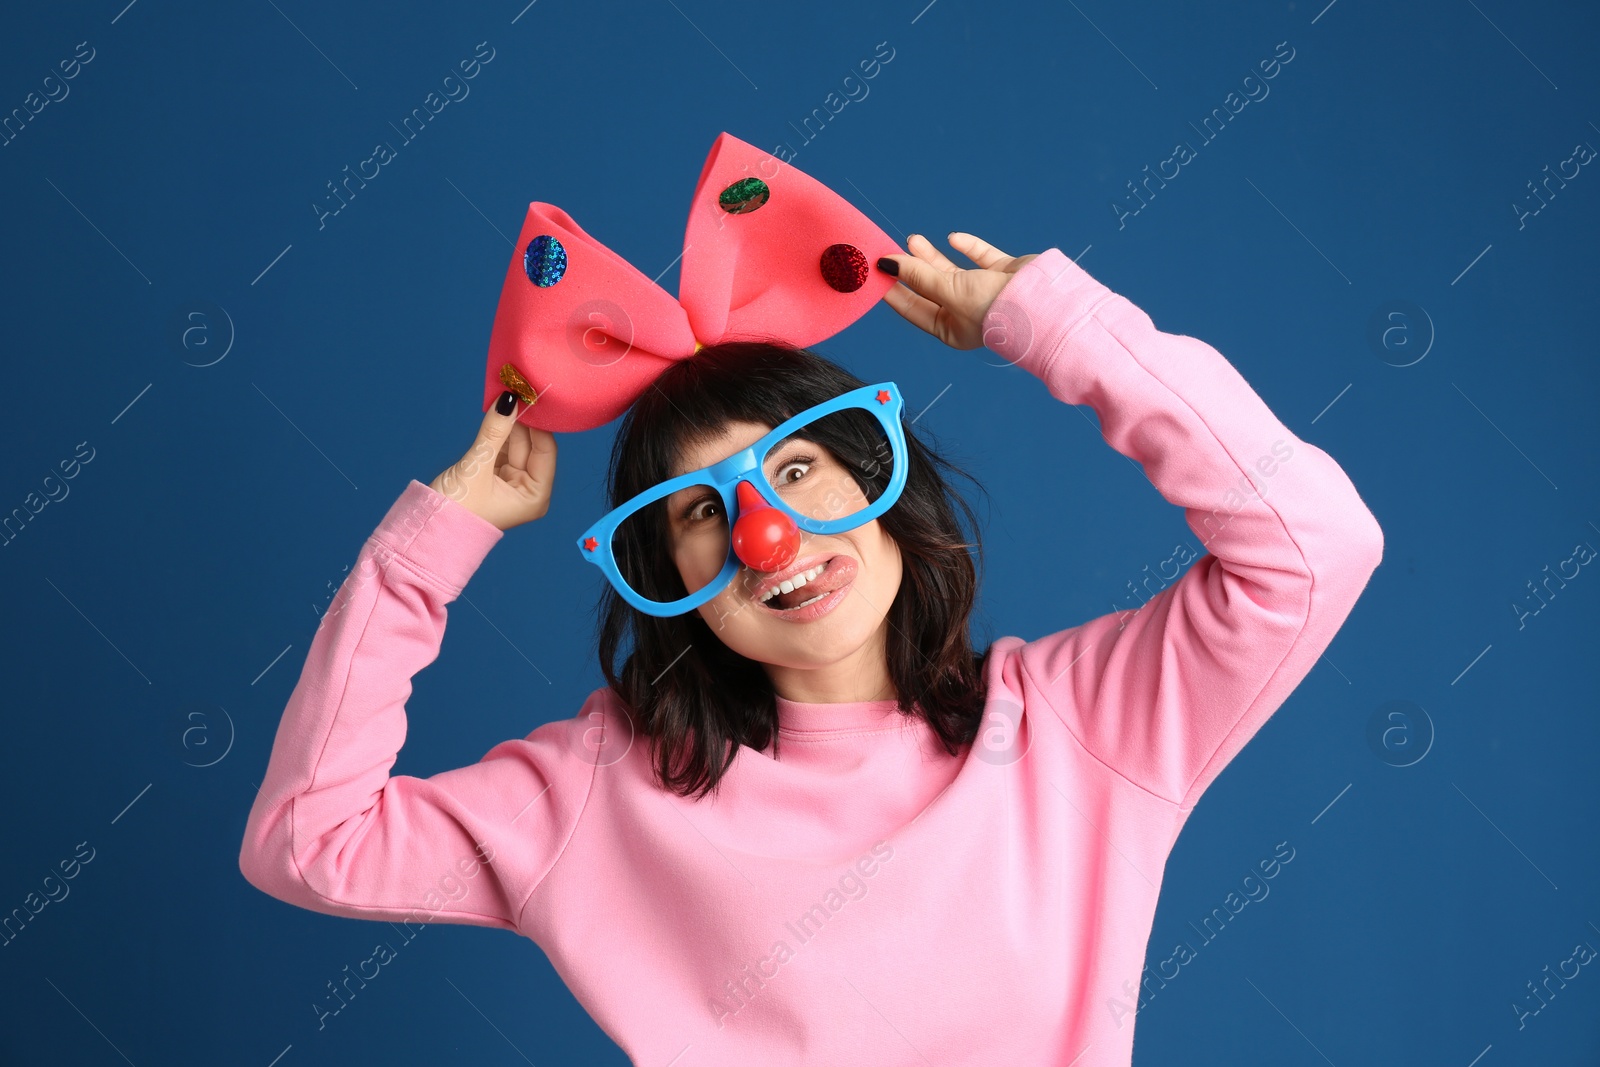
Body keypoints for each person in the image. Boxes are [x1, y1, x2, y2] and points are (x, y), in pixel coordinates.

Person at [239, 230, 1383, 1065]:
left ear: (880, 483)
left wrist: (1054, 328)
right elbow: (306, 839)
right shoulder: (602, 786)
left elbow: (1314, 546)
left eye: (793, 469)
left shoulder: (1080, 726)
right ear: (667, 577)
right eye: (701, 509)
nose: (764, 533)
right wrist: (433, 544)